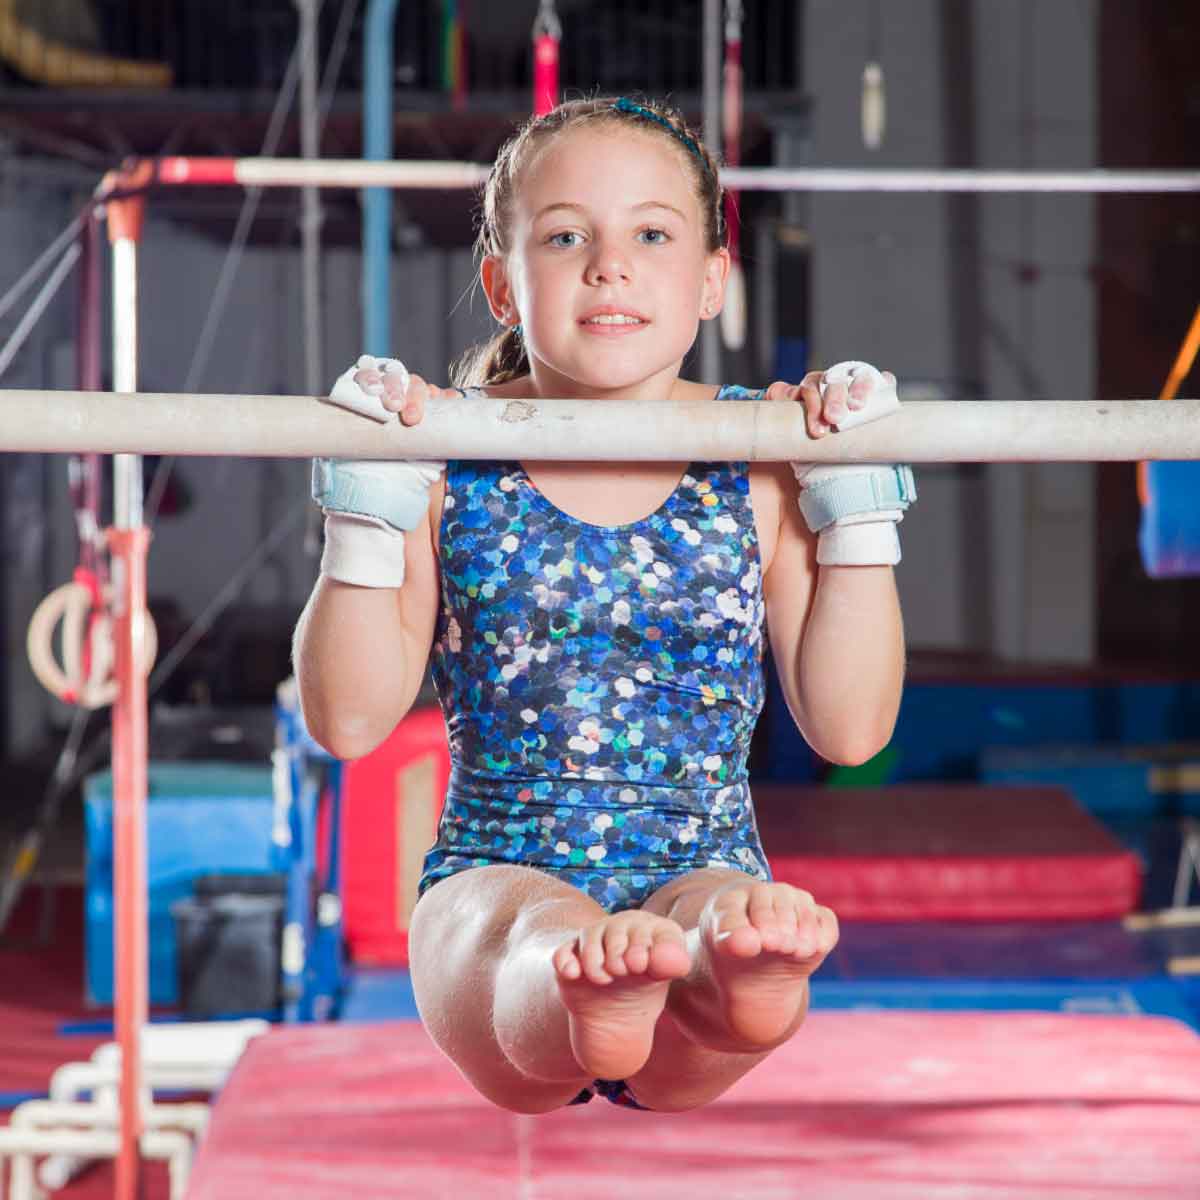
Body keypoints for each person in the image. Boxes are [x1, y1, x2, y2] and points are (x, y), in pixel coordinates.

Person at [293, 97, 913, 1114]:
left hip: (702, 859)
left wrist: (855, 503)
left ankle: (731, 978)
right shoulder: (448, 457)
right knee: (518, 932)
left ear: (713, 280)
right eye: (566, 234)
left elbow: (851, 730)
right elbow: (349, 720)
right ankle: (583, 981)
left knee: (721, 918)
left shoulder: (758, 460)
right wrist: (369, 499)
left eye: (652, 234)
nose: (608, 264)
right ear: (502, 283)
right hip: (495, 866)